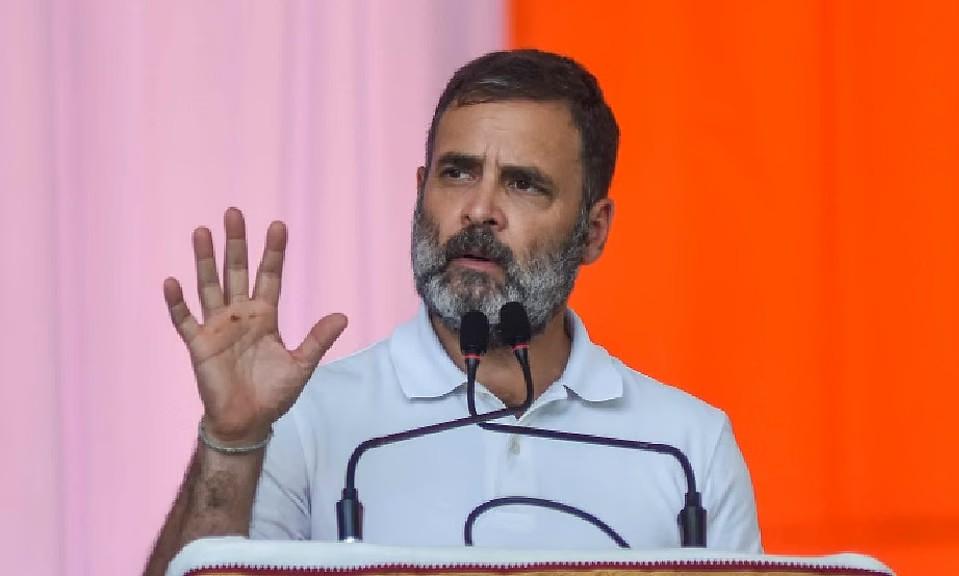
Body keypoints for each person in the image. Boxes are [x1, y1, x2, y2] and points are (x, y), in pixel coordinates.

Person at [144, 49, 761, 575]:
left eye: (523, 183)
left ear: (593, 231)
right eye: (458, 173)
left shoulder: (688, 449)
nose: (479, 209)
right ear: (421, 192)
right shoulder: (303, 419)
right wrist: (232, 441)